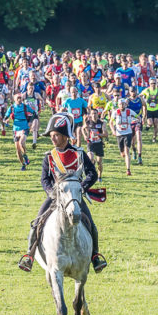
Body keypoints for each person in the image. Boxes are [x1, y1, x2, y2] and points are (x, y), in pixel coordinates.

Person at [17, 113, 107, 273]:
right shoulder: (49, 157)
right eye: (51, 135)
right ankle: (29, 255)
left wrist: (81, 188)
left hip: (74, 197)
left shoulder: (79, 153)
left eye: (56, 135)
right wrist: (53, 193)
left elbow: (92, 173)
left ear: (65, 136)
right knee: (37, 223)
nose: (52, 139)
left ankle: (95, 256)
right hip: (54, 198)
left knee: (90, 224)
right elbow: (44, 179)